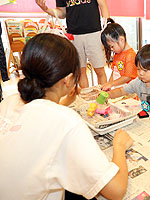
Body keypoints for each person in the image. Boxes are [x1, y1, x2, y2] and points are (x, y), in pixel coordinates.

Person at [0, 33, 133, 200]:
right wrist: (119, 146)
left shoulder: (8, 102)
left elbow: (39, 123)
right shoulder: (68, 122)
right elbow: (116, 190)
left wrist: (61, 104)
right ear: (68, 80)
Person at [35, 0, 110, 88]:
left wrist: (107, 26)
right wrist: (46, 9)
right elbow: (62, 13)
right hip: (73, 35)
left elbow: (103, 4)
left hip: (94, 33)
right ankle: (85, 99)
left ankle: (103, 98)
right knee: (80, 72)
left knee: (100, 70)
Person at [107, 44, 150, 123]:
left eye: (146, 70)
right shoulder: (138, 82)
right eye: (138, 69)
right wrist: (108, 94)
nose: (141, 73)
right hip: (149, 115)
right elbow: (122, 91)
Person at [101, 21, 138, 91]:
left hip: (128, 93)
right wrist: (108, 84)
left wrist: (111, 84)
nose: (111, 49)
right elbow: (114, 72)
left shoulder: (130, 55)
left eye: (112, 46)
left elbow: (127, 77)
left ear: (121, 40)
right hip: (118, 90)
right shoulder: (117, 54)